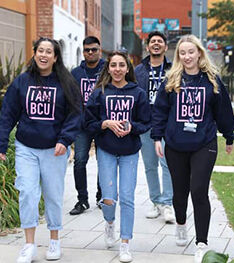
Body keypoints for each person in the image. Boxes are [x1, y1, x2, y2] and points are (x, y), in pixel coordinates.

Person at [151, 34, 234, 263]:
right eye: (182, 52)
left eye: (191, 52)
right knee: (180, 193)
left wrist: (229, 136)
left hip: (204, 143)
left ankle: (202, 243)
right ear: (178, 56)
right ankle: (181, 223)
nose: (187, 56)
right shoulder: (170, 81)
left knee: (199, 190)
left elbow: (223, 111)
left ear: (199, 53)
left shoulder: (212, 81)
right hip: (176, 145)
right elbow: (159, 111)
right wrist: (156, 137)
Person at [0, 37, 82, 263]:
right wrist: (1, 143)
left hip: (54, 149)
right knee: (27, 193)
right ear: (34, 54)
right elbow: (8, 113)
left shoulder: (66, 82)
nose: (44, 55)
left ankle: (54, 240)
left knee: (53, 195)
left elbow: (76, 114)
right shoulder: (22, 81)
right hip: (26, 147)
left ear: (55, 57)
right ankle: (29, 245)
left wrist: (65, 139)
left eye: (49, 52)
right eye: (40, 51)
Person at [84, 51, 151, 262]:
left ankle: (125, 243)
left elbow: (146, 123)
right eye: (114, 65)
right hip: (106, 150)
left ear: (128, 68)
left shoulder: (138, 93)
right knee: (109, 198)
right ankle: (110, 223)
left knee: (128, 197)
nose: (118, 69)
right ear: (108, 68)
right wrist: (105, 124)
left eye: (122, 65)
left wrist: (131, 127)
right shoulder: (99, 93)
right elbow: (88, 123)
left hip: (130, 151)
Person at [134, 31, 174, 223]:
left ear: (165, 47)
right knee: (150, 166)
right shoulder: (138, 71)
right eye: (153, 42)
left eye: (160, 42)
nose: (156, 44)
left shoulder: (174, 69)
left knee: (167, 164)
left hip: (167, 125)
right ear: (148, 47)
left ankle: (167, 204)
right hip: (146, 125)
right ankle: (156, 201)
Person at [69, 36, 104, 215]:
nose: (91, 53)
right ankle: (82, 200)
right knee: (80, 161)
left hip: (103, 124)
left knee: (104, 162)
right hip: (82, 125)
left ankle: (101, 197)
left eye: (94, 49)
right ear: (83, 52)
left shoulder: (107, 70)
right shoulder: (75, 73)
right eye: (87, 50)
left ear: (100, 50)